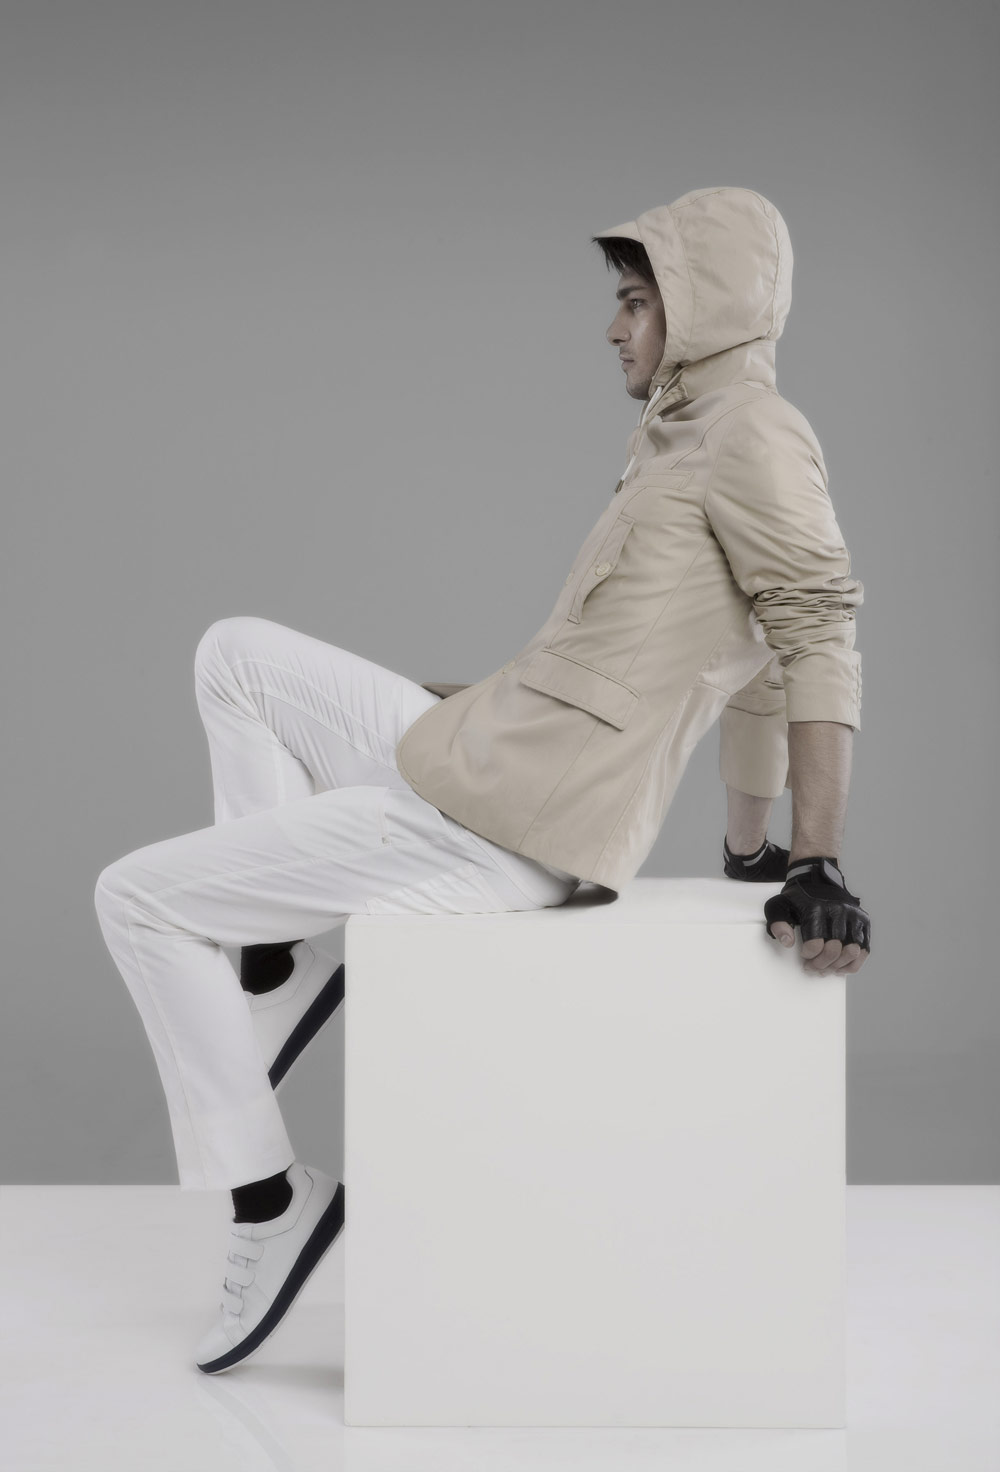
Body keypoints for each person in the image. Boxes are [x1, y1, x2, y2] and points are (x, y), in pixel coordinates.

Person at [93, 184, 870, 1377]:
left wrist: (812, 854)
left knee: (136, 898)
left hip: (506, 822)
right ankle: (278, 963)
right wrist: (744, 847)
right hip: (491, 748)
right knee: (235, 654)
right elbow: (734, 661)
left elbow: (809, 629)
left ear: (704, 306)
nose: (611, 327)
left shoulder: (752, 435)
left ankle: (269, 1198)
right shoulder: (677, 435)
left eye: (635, 301)